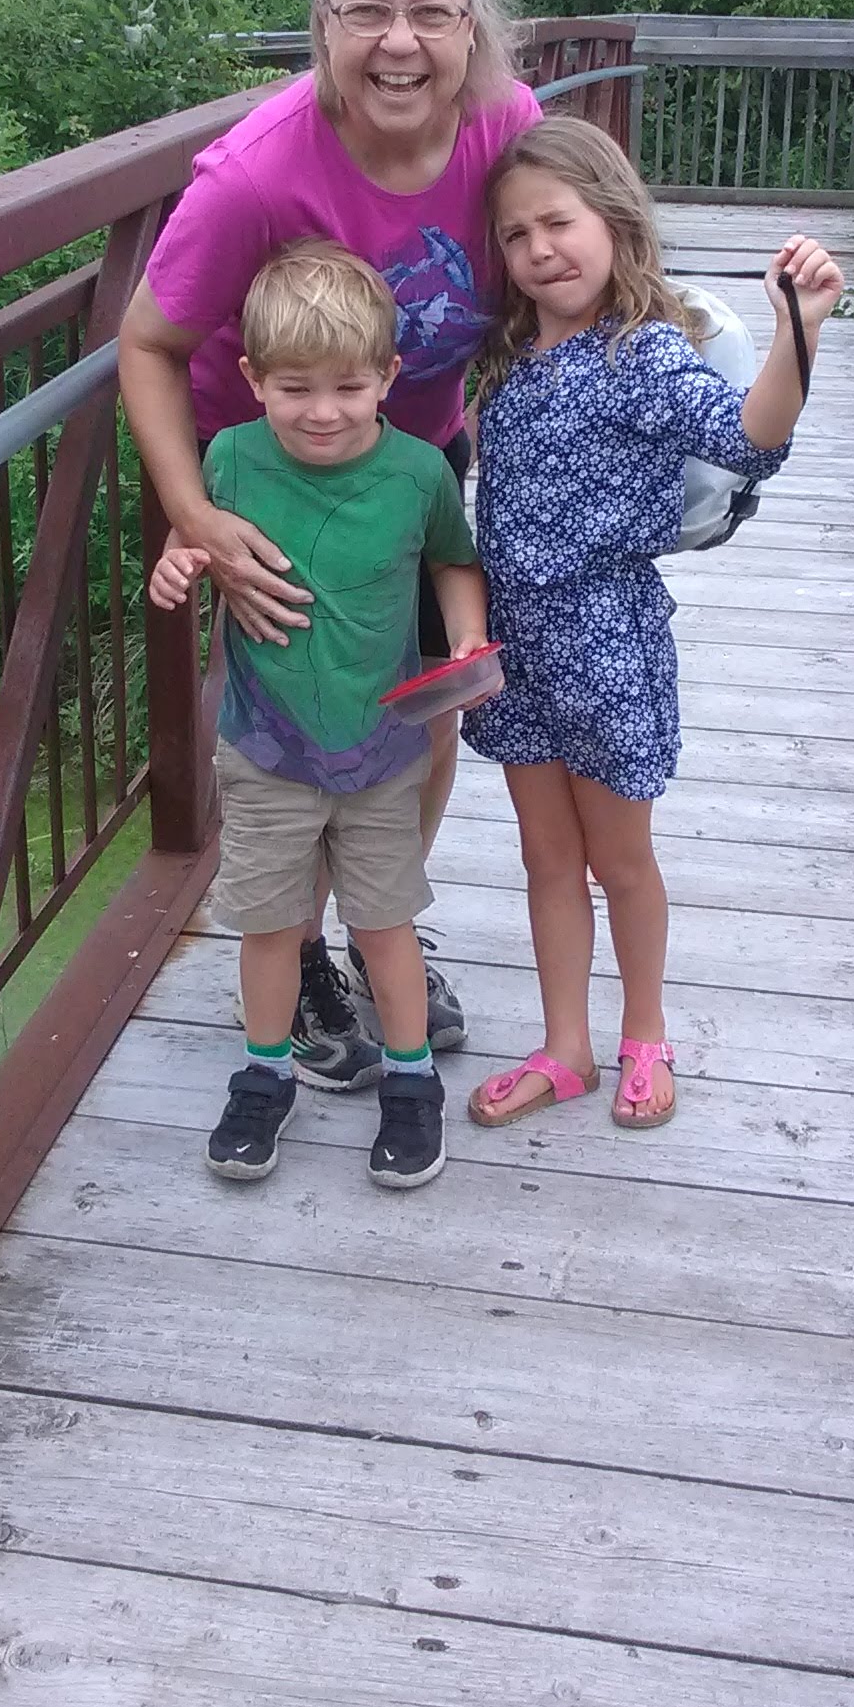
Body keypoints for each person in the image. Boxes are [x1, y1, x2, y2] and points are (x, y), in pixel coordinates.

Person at [119, 0, 541, 1084]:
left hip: (418, 465)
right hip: (276, 484)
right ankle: (298, 954)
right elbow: (146, 343)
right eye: (368, 10)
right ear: (321, 20)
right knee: (300, 720)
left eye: (431, 11)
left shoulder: (510, 131)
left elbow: (571, 270)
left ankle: (378, 926)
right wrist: (197, 514)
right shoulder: (259, 172)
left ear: (474, 22)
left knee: (424, 703)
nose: (400, 44)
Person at [460, 118, 844, 1130]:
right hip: (515, 645)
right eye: (515, 235)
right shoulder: (502, 356)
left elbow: (748, 438)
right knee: (547, 858)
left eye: (559, 222)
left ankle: (644, 1034)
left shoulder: (644, 352)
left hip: (606, 644)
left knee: (618, 860)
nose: (540, 249)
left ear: (615, 221)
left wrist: (799, 328)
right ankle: (565, 1048)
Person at [147, 241, 490, 1189]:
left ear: (389, 376)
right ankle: (265, 1075)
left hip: (382, 752)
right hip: (265, 750)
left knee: (385, 924)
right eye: (295, 389)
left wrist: (467, 637)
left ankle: (411, 1084)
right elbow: (192, 533)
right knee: (270, 924)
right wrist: (180, 561)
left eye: (348, 387)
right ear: (253, 379)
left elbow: (452, 559)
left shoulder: (418, 473)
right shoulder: (229, 457)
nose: (323, 411)